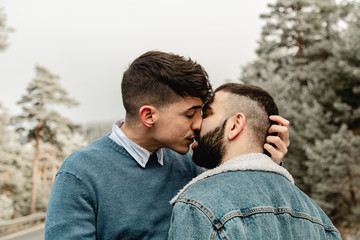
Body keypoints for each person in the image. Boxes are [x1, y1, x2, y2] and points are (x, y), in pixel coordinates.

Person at [45, 51, 290, 239]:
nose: (198, 124)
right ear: (148, 116)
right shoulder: (79, 173)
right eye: (189, 114)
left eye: (202, 112)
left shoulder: (191, 165)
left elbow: (246, 215)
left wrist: (268, 163)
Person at [168, 83, 341, 239]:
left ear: (235, 125)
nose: (197, 125)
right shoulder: (319, 218)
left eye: (206, 114)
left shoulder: (198, 204)